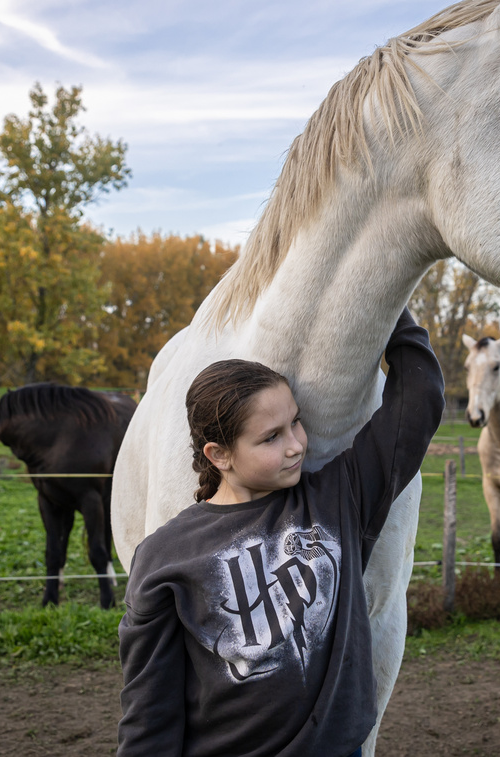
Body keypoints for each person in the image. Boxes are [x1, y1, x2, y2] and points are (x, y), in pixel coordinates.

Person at [118, 308, 445, 757]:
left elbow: (419, 401)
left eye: (295, 422)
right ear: (219, 454)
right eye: (271, 437)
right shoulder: (163, 555)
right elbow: (149, 707)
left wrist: (391, 310)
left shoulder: (339, 499)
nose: (295, 444)